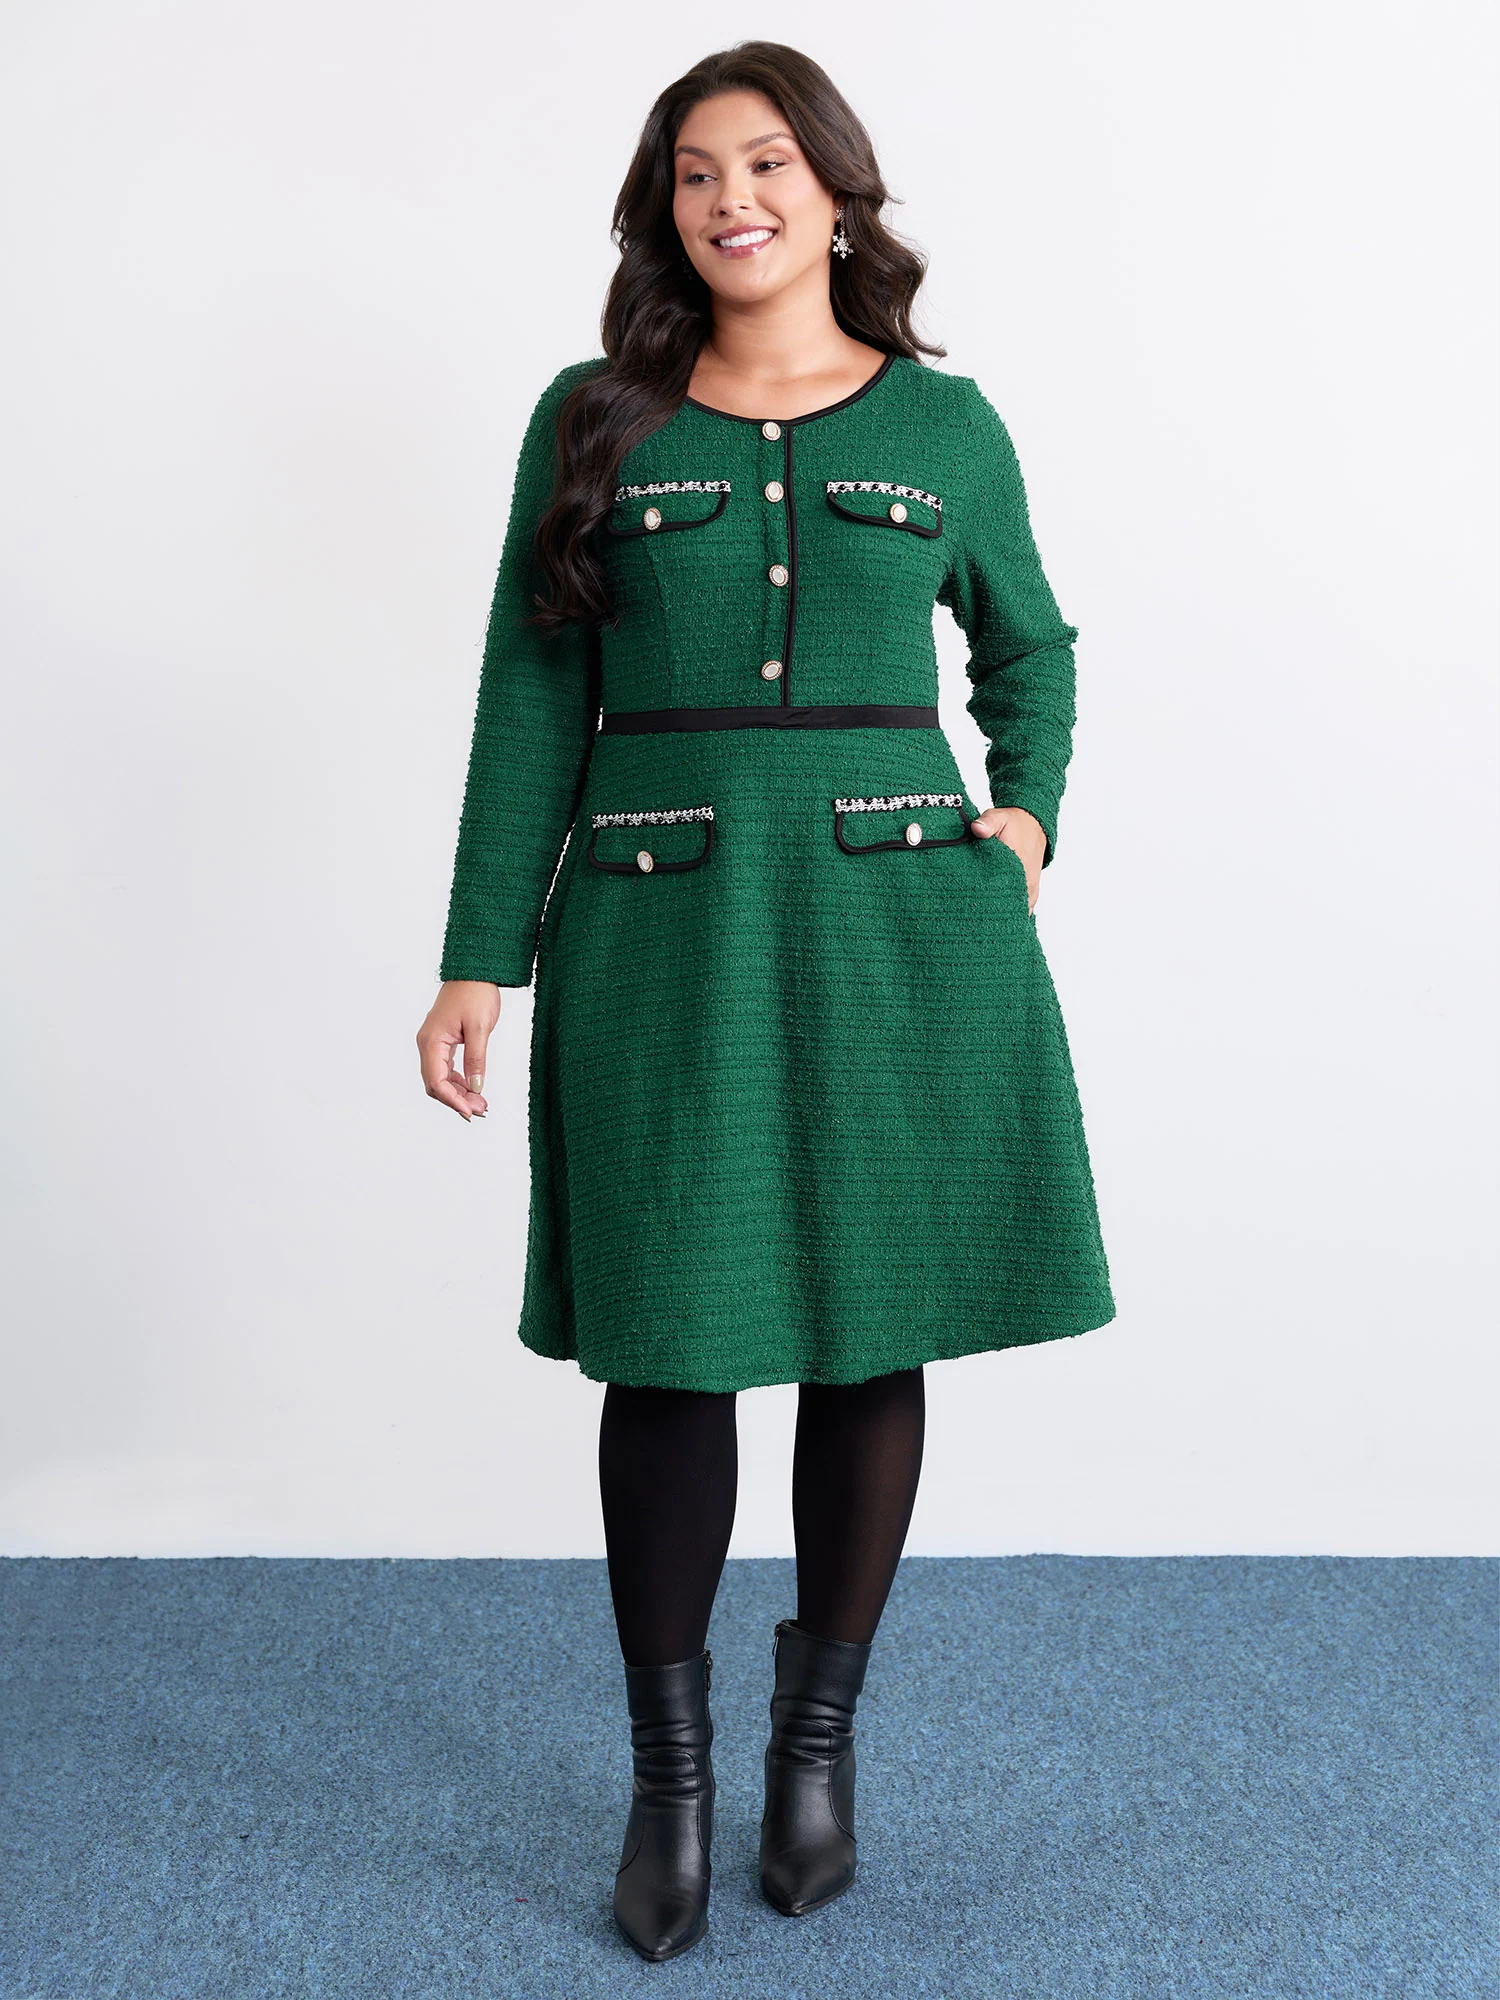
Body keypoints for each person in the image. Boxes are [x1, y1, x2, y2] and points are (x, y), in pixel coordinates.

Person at [415, 39, 1116, 1964]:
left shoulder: (946, 425)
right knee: (669, 1340)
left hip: (903, 927)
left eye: (769, 164)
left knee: (867, 1327)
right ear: (667, 209)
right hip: (661, 928)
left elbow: (1033, 650)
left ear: (834, 189)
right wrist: (480, 953)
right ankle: (672, 1783)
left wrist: (1026, 819)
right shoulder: (596, 420)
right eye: (698, 172)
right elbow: (531, 694)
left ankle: (817, 1751)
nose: (735, 198)